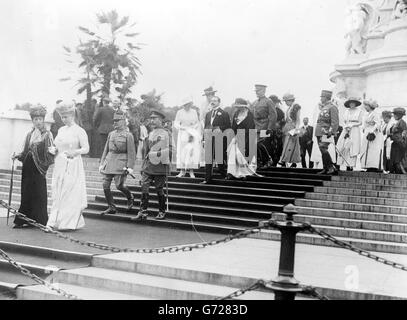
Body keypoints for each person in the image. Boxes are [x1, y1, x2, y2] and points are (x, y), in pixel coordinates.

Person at [47, 102, 89, 231]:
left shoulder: (79, 131)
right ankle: (54, 221)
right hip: (60, 164)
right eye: (62, 117)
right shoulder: (61, 130)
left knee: (69, 192)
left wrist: (75, 152)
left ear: (72, 115)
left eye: (66, 117)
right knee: (58, 191)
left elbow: (86, 148)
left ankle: (68, 222)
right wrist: (53, 149)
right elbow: (56, 145)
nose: (63, 120)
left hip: (73, 164)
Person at [12, 105, 55, 228]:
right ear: (32, 121)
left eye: (40, 119)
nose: (38, 122)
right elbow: (25, 151)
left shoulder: (47, 134)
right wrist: (18, 156)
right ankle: (22, 220)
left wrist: (49, 157)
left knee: (39, 193)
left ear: (43, 120)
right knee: (26, 192)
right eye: (35, 119)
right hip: (28, 167)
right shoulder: (29, 134)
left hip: (39, 168)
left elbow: (51, 151)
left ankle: (40, 221)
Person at [132, 110, 172, 221]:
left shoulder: (166, 133)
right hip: (148, 166)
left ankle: (161, 211)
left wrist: (155, 154)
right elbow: (146, 151)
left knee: (159, 189)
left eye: (155, 119)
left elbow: (170, 150)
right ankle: (143, 212)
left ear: (161, 120)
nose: (152, 121)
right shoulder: (150, 133)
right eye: (151, 119)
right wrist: (142, 166)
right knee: (144, 187)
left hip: (160, 166)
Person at [99, 111, 136, 215]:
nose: (114, 123)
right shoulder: (111, 134)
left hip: (121, 162)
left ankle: (130, 196)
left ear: (124, 122)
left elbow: (132, 152)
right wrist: (102, 163)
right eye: (114, 121)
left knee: (119, 186)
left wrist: (130, 166)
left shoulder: (128, 135)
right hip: (109, 161)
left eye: (117, 121)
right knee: (105, 185)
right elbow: (106, 149)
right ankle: (111, 207)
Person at [201, 96, 231, 184]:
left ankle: (224, 175)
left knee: (220, 157)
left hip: (219, 138)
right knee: (208, 158)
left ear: (219, 102)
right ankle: (207, 178)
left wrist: (219, 128)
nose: (212, 102)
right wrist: (203, 139)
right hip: (209, 138)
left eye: (215, 100)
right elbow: (206, 127)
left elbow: (228, 127)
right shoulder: (208, 114)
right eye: (211, 101)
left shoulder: (224, 113)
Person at [226, 98, 257, 180]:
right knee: (233, 154)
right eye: (237, 106)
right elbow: (233, 126)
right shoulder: (236, 114)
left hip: (247, 136)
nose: (239, 108)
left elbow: (251, 127)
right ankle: (231, 172)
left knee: (243, 155)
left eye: (240, 107)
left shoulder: (249, 114)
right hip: (237, 136)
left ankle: (244, 173)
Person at [174, 98, 202, 178]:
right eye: (185, 104)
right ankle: (182, 171)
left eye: (188, 104)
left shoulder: (194, 112)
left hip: (192, 133)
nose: (187, 105)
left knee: (191, 151)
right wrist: (181, 127)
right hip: (182, 133)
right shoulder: (179, 112)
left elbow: (197, 123)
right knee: (182, 151)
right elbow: (176, 123)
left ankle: (191, 171)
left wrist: (193, 128)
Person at [251, 84, 277, 169]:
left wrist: (269, 128)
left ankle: (268, 160)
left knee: (259, 143)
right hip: (256, 127)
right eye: (256, 91)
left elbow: (273, 115)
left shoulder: (268, 101)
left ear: (264, 91)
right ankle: (260, 162)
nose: (257, 93)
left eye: (259, 91)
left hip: (265, 127)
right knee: (254, 145)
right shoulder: (255, 102)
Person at [315, 90, 339, 175]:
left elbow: (335, 121)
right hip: (319, 132)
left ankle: (331, 167)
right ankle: (326, 168)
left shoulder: (332, 107)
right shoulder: (323, 107)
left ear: (326, 97)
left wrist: (331, 131)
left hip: (326, 132)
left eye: (322, 97)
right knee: (322, 150)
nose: (321, 98)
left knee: (323, 148)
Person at [336, 98, 363, 171]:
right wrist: (346, 126)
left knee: (352, 146)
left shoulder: (359, 111)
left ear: (355, 104)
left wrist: (352, 125)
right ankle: (343, 164)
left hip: (354, 130)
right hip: (346, 129)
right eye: (350, 103)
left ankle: (350, 165)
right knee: (344, 145)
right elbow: (344, 121)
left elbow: (360, 122)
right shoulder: (346, 111)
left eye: (353, 103)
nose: (352, 104)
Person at [360, 100, 384, 172]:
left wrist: (372, 131)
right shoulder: (366, 114)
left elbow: (378, 124)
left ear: (369, 106)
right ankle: (367, 165)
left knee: (373, 150)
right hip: (367, 131)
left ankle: (373, 166)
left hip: (374, 133)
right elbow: (364, 124)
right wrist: (364, 128)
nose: (365, 107)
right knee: (366, 148)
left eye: (366, 106)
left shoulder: (375, 114)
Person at [279, 93, 302, 168]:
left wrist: (297, 130)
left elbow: (298, 119)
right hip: (288, 127)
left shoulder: (296, 107)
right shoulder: (289, 108)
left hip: (293, 128)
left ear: (290, 100)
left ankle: (284, 161)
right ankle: (291, 162)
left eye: (286, 101)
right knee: (288, 145)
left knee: (291, 145)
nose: (285, 103)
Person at [388, 107, 407, 174]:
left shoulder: (402, 122)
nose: (394, 116)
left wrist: (401, 141)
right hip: (395, 142)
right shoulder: (397, 123)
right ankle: (394, 169)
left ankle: (400, 170)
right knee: (394, 156)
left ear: (399, 115)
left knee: (398, 158)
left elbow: (404, 133)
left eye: (395, 114)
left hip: (399, 143)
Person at [269, 95, 286, 167]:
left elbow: (283, 122)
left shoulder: (280, 111)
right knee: (269, 146)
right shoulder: (267, 110)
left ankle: (275, 161)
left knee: (278, 147)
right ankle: (272, 161)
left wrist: (278, 125)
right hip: (269, 131)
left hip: (277, 132)